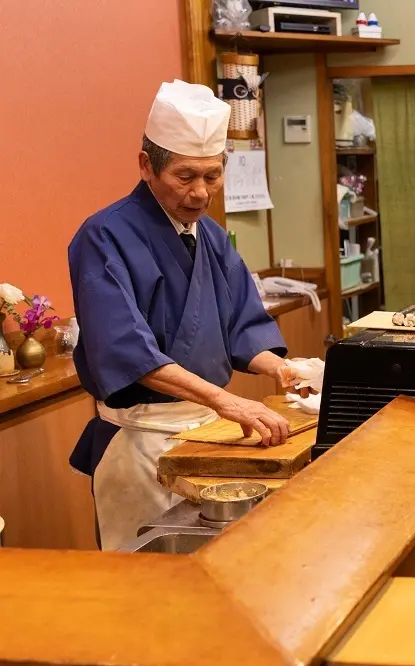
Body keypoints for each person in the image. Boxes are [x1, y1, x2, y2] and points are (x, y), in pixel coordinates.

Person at [69, 80, 308, 551]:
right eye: (185, 177)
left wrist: (283, 369)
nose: (201, 193)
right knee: (146, 584)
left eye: (213, 176)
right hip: (140, 442)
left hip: (206, 436)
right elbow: (128, 351)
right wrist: (229, 402)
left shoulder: (212, 237)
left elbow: (242, 326)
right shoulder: (103, 237)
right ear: (146, 166)